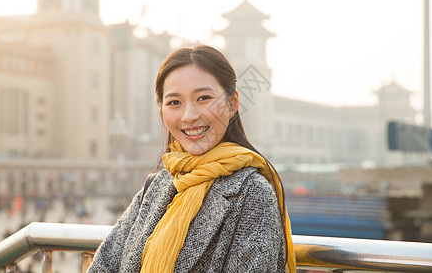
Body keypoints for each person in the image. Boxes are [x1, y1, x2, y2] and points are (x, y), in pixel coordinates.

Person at [88, 45, 296, 272]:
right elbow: (105, 264)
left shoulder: (253, 192)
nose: (189, 116)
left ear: (232, 104)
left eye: (203, 98)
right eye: (174, 102)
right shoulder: (160, 184)